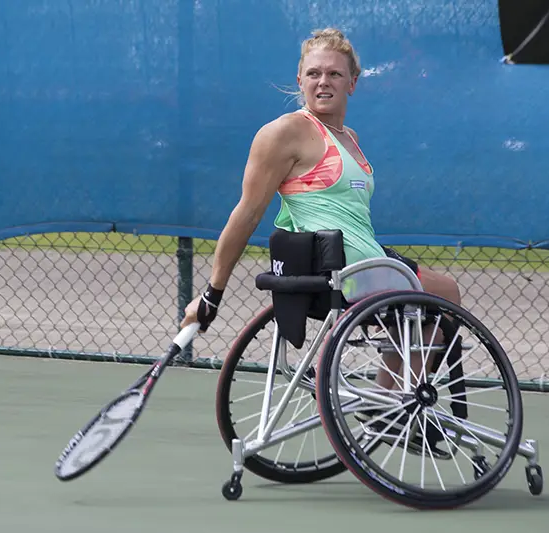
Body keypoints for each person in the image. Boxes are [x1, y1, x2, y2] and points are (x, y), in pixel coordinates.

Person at [181, 28, 463, 455]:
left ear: (353, 82)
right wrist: (211, 293)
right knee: (442, 297)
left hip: (369, 262)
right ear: (299, 80)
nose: (323, 81)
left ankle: (385, 402)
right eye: (313, 73)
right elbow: (247, 213)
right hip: (347, 273)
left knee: (446, 292)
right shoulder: (284, 133)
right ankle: (392, 405)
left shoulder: (351, 141)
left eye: (334, 73)